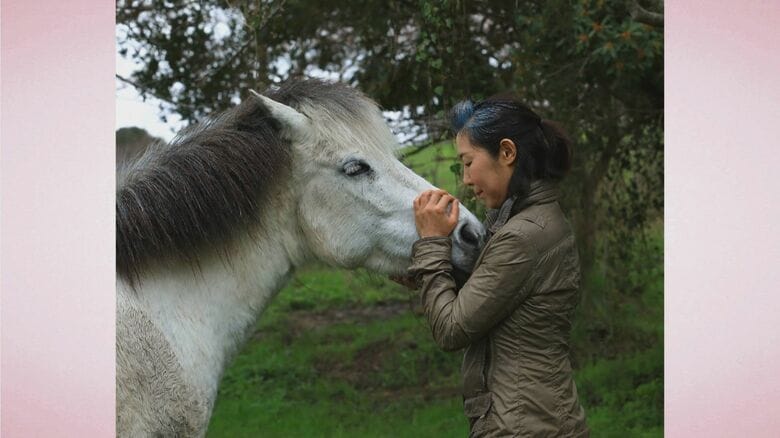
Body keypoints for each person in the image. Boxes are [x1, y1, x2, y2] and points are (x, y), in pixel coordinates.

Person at [406, 95, 588, 437]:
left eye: (468, 162)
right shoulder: (533, 222)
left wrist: (431, 243)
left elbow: (452, 329)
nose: (465, 179)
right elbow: (494, 300)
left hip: (523, 426)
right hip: (537, 418)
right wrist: (429, 271)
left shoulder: (523, 236)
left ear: (507, 153)